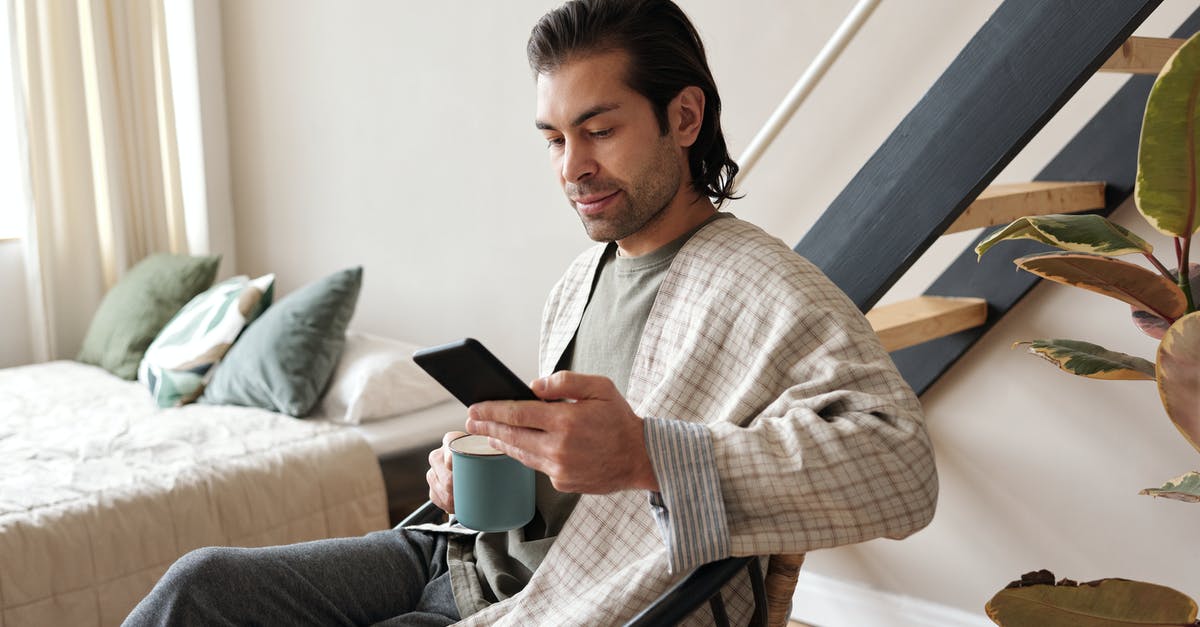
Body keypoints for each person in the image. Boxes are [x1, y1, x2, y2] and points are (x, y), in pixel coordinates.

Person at [125, 0, 937, 625]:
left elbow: (902, 470)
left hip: (559, 593)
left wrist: (649, 454)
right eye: (553, 138)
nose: (572, 167)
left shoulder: (770, 288)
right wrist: (487, 462)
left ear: (683, 119)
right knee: (198, 588)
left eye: (600, 130)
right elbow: (570, 471)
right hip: (454, 553)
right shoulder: (580, 278)